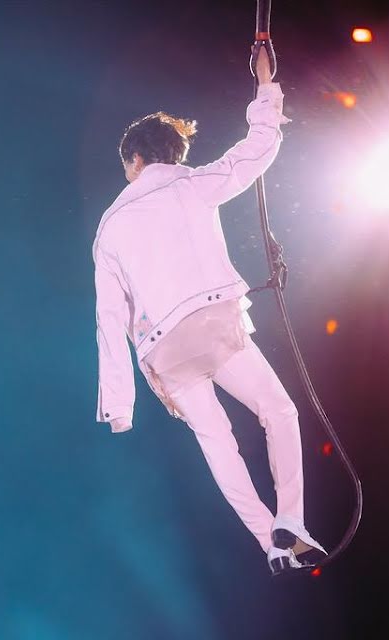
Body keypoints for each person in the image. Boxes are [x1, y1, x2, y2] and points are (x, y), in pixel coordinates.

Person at [92, 46, 327, 575]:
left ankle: (270, 542)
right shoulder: (192, 183)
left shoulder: (109, 227)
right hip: (212, 323)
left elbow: (108, 317)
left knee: (217, 441)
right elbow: (256, 150)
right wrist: (265, 87)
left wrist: (121, 405)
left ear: (134, 161)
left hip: (163, 350)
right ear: (172, 155)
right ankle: (290, 519)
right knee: (278, 411)